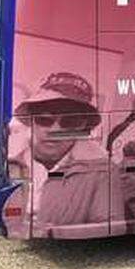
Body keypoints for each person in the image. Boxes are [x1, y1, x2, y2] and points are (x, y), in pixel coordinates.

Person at [11, 72, 110, 238]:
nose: (55, 129)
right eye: (45, 119)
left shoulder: (100, 169)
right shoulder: (10, 156)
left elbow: (108, 224)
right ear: (31, 120)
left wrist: (53, 232)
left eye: (69, 122)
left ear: (82, 127)